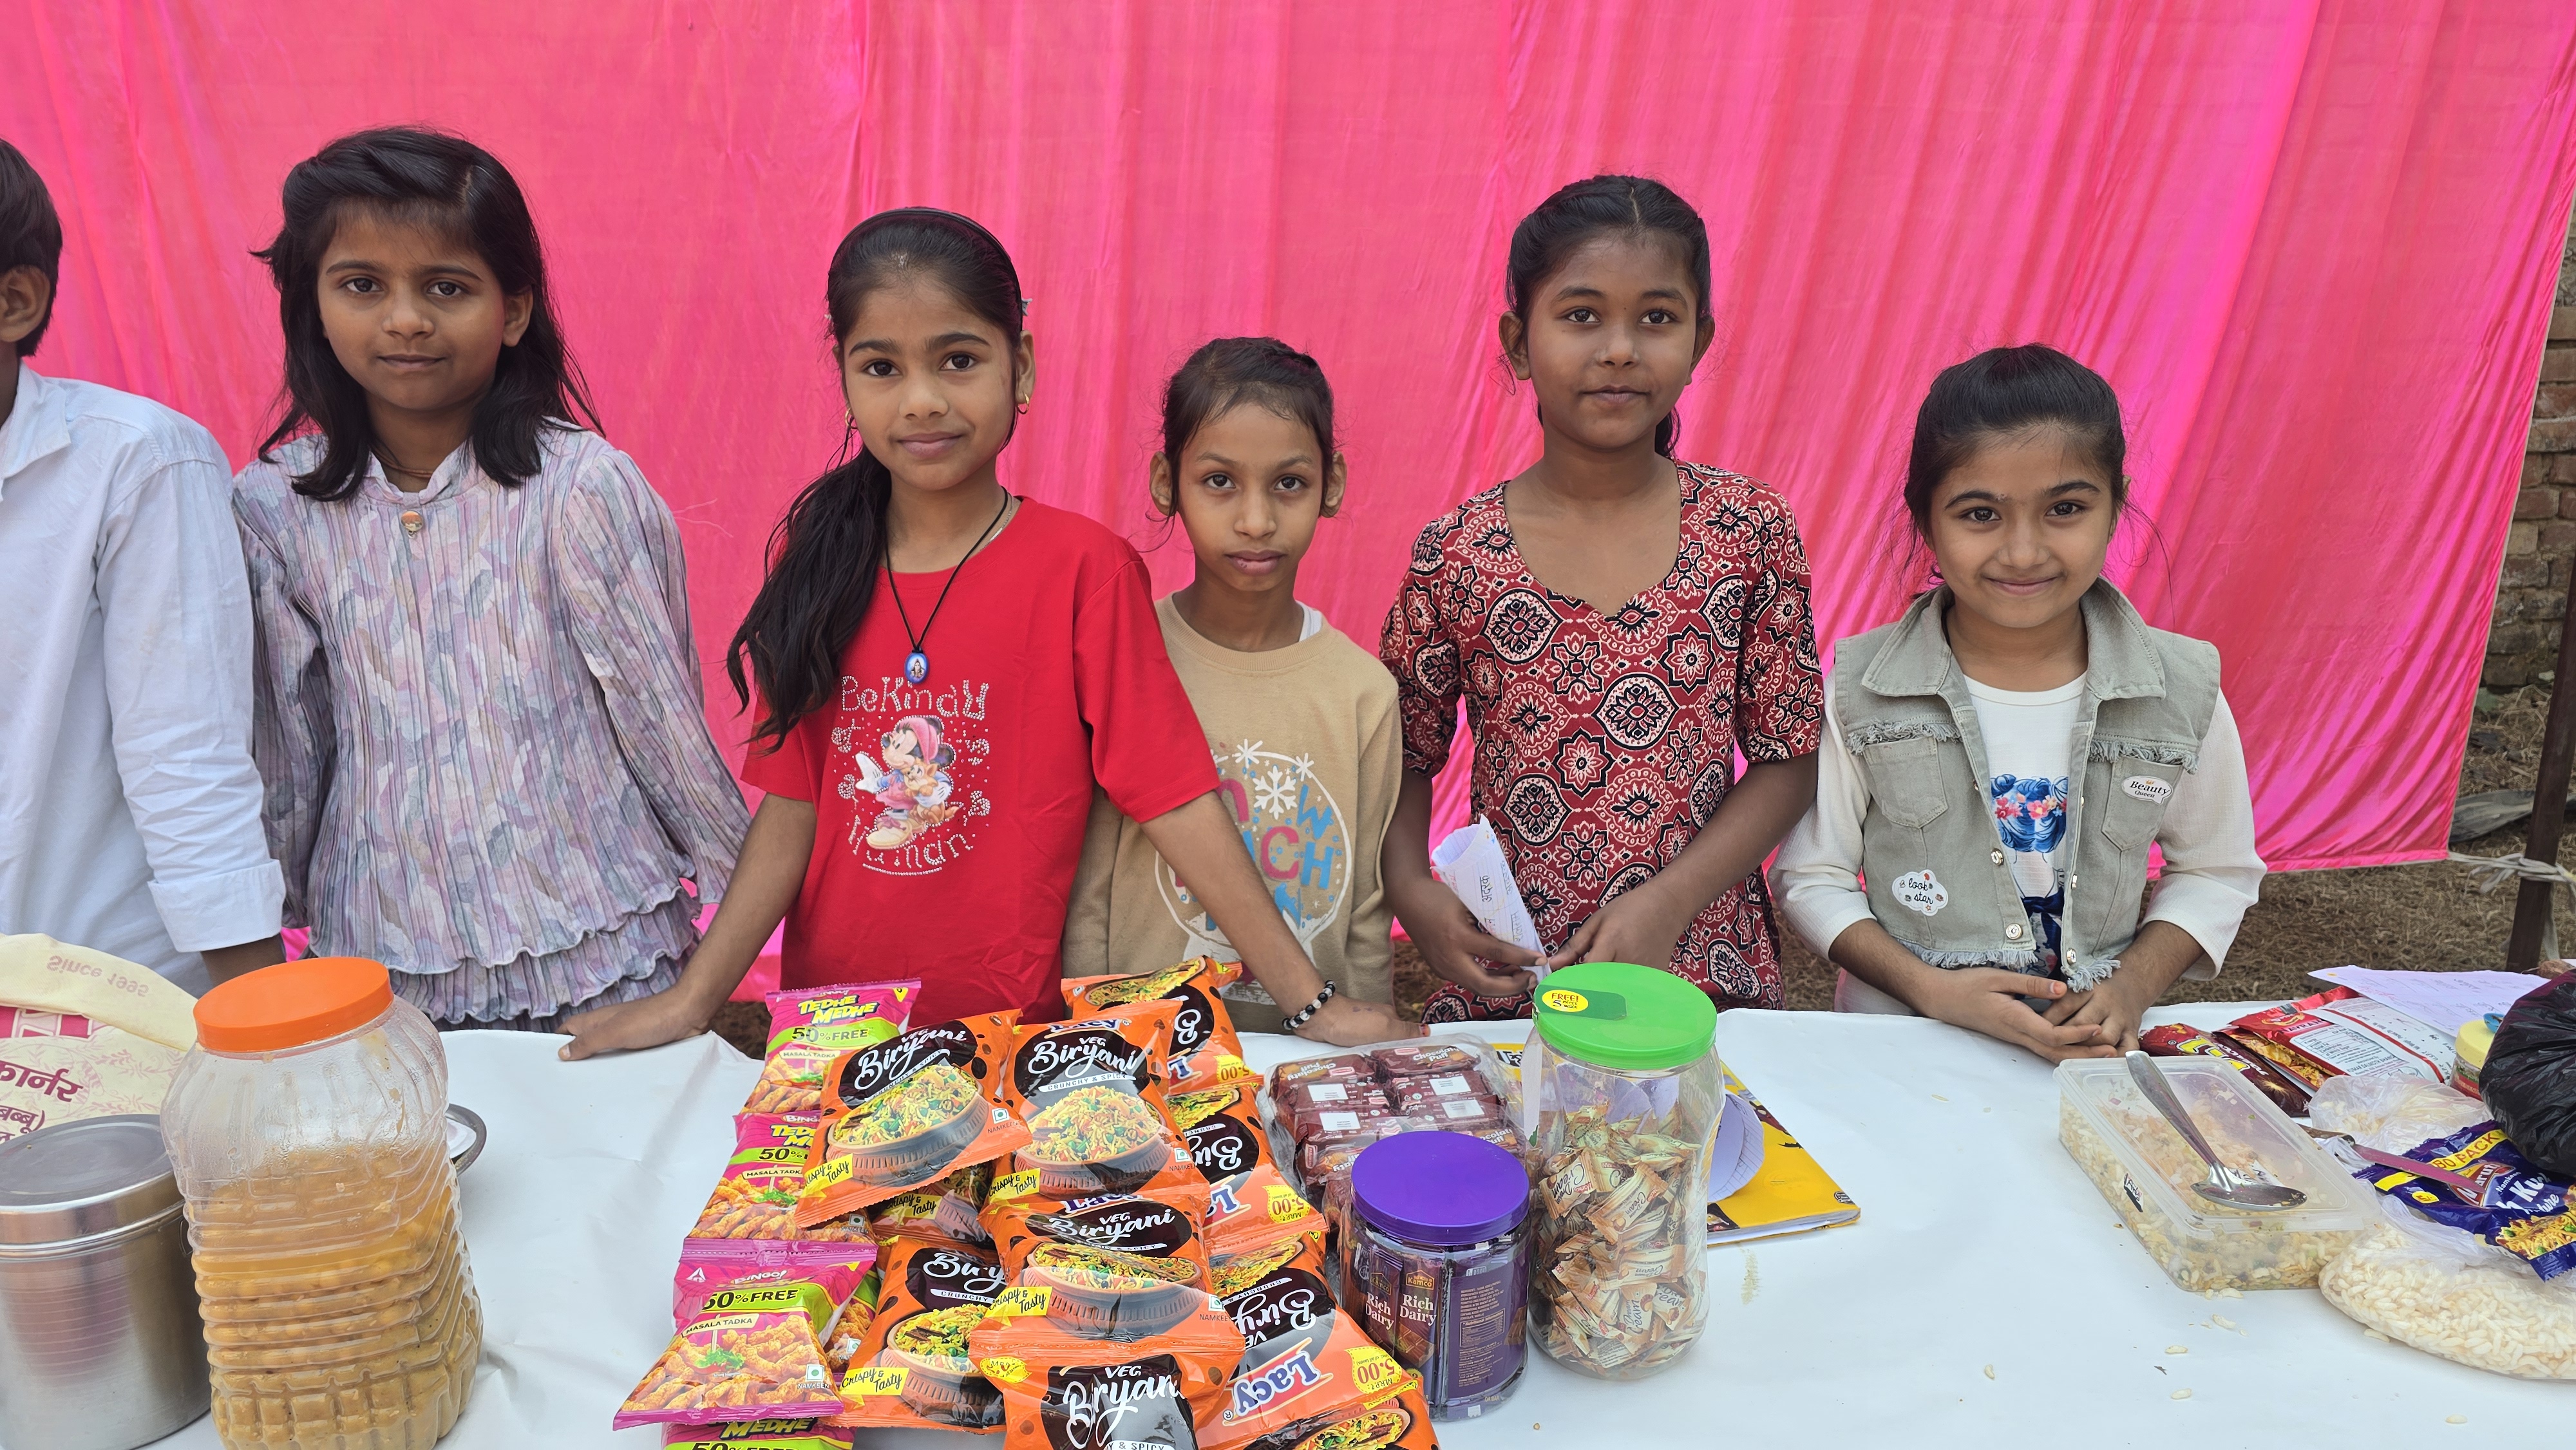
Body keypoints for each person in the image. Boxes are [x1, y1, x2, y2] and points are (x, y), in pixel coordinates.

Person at [560, 211, 1414, 1057]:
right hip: (840, 1032)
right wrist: (693, 1001)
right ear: (846, 378)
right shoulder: (817, 562)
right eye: (882, 367)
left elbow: (1175, 798)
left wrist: (1310, 1004)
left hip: (1012, 1040)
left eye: (959, 360)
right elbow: (793, 808)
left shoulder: (1084, 572)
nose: (922, 400)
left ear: (1022, 367)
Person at [232, 128, 749, 1030]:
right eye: (362, 285)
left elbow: (661, 721)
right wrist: (263, 924)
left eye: (446, 287)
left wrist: (730, 928)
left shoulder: (581, 488)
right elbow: (289, 742)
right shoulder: (275, 507)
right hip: (382, 957)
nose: (405, 319)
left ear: (512, 311)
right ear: (312, 305)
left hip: (604, 948)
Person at [1379, 174, 1823, 1023]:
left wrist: (1672, 900)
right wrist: (1410, 887)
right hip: (1519, 974)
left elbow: (1788, 756)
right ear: (1519, 344)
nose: (1620, 349)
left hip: (1702, 974)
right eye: (1582, 315)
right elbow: (1401, 753)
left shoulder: (1749, 527)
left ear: (1699, 341)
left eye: (1656, 317)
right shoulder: (1458, 552)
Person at [1771, 345, 2264, 1060]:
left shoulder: (2180, 688)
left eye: (2065, 509)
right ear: (1925, 519)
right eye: (1981, 514)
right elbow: (1811, 875)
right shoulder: (1863, 688)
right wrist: (1929, 989)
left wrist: (2130, 986)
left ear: (2115, 505)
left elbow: (2216, 870)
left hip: (2089, 1055)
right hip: (1901, 1049)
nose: (2024, 551)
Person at [0, 140, 287, 993]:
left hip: (102, 1009)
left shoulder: (137, 463)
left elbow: (186, 756)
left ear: (13, 301)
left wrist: (261, 1027)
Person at [1063, 338, 1402, 1031]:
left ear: (1331, 483)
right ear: (1167, 482)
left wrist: (1364, 1046)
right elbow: (1088, 886)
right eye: (1220, 480)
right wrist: (1088, 1034)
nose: (1256, 521)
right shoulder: (1127, 658)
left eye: (1289, 483)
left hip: (1303, 1051)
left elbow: (1367, 914)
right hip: (1147, 1049)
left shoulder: (1363, 693)